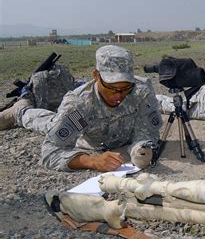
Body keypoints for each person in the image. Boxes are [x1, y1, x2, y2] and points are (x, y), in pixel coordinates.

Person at [0, 45, 162, 172]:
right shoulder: (80, 105)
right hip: (86, 138)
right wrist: (92, 161)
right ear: (96, 76)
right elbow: (50, 152)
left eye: (125, 88)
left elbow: (147, 131)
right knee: (50, 124)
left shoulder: (141, 92)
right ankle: (20, 111)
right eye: (111, 88)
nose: (118, 95)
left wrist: (140, 148)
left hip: (115, 137)